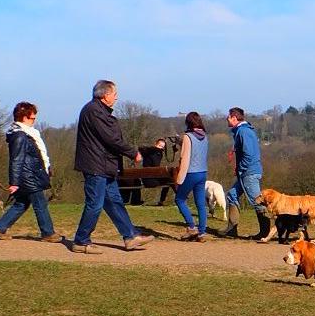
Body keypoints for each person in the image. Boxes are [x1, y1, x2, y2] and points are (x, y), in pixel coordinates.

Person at [71, 80, 154, 254]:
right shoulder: (94, 111)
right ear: (105, 95)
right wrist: (133, 152)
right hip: (96, 166)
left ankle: (130, 236)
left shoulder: (97, 111)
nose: (116, 98)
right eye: (114, 94)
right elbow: (111, 138)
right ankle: (81, 240)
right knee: (95, 204)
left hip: (105, 166)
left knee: (114, 202)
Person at [0, 102, 62, 243]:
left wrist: (47, 167)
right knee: (40, 204)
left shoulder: (23, 134)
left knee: (21, 203)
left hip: (29, 174)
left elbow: (35, 155)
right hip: (29, 176)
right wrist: (14, 182)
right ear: (24, 117)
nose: (34, 120)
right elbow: (16, 160)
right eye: (32, 118)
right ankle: (48, 233)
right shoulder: (20, 136)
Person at [222, 107, 270, 239]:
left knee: (257, 201)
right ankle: (232, 229)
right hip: (247, 172)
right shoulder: (243, 131)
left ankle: (265, 233)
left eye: (229, 116)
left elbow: (249, 155)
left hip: (249, 172)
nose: (227, 118)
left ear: (234, 118)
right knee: (232, 195)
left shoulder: (244, 132)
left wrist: (241, 168)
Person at [173, 112, 211, 242]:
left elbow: (185, 158)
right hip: (202, 172)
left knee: (179, 199)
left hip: (190, 173)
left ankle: (191, 227)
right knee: (200, 204)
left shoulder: (188, 137)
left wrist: (179, 179)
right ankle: (202, 233)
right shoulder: (205, 137)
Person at [120, 138, 169, 206]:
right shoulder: (157, 153)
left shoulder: (147, 152)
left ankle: (161, 201)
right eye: (160, 146)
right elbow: (156, 166)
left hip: (144, 178)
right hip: (150, 180)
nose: (161, 148)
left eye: (162, 147)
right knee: (169, 181)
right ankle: (162, 201)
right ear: (156, 145)